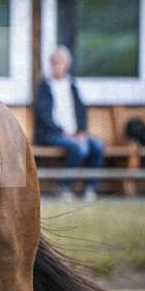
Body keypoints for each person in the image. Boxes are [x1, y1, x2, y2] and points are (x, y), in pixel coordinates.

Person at [34, 46, 105, 203]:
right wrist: (62, 131)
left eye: (59, 62)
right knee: (81, 148)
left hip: (74, 133)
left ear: (67, 64)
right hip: (52, 134)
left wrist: (81, 130)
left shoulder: (72, 85)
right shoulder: (44, 86)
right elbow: (44, 115)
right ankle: (64, 187)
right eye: (53, 62)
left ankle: (90, 187)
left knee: (98, 145)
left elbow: (81, 111)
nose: (56, 65)